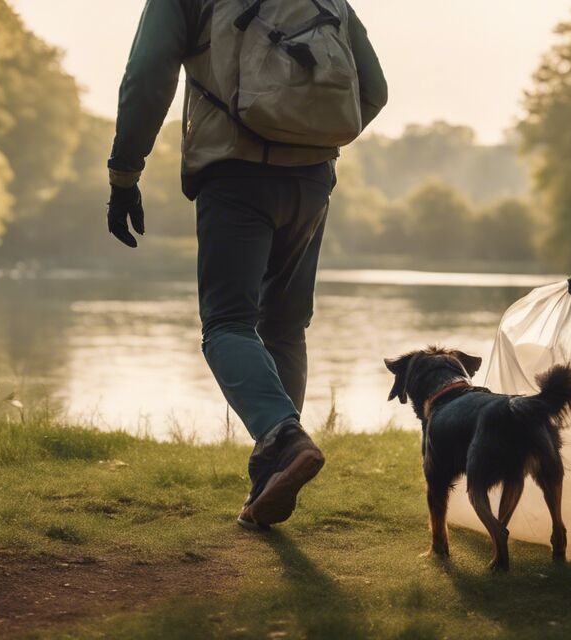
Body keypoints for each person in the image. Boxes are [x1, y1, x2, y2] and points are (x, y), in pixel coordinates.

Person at [105, 0, 388, 529]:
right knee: (284, 326)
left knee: (228, 324)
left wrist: (125, 173)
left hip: (234, 175)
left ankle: (283, 440)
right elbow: (373, 89)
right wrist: (309, 136)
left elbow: (147, 74)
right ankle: (273, 479)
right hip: (311, 180)